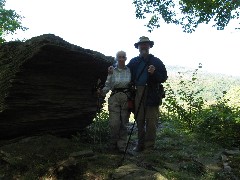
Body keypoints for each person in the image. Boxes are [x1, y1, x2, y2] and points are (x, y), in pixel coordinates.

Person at [109, 36, 168, 152]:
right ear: (138, 47)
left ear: (149, 46)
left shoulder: (156, 61)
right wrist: (112, 69)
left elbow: (163, 77)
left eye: (146, 44)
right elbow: (123, 69)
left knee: (151, 121)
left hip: (153, 92)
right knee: (139, 119)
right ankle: (140, 144)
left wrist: (154, 73)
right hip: (137, 92)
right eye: (141, 45)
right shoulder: (134, 61)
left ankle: (149, 146)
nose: (144, 46)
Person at [99, 50, 131, 153]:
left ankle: (122, 147)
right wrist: (102, 93)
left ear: (126, 58)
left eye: (123, 57)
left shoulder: (129, 70)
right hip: (114, 97)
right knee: (114, 123)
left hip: (126, 97)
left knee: (124, 123)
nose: (121, 59)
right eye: (119, 57)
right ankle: (112, 144)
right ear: (116, 58)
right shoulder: (112, 70)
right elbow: (108, 84)